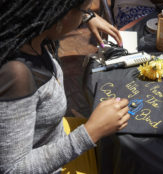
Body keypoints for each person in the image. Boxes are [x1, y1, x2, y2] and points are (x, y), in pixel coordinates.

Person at [0, 0, 130, 173]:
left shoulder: (32, 35)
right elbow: (12, 169)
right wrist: (90, 132)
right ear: (62, 15)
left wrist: (86, 16)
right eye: (84, 9)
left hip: (58, 137)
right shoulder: (16, 74)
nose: (88, 13)